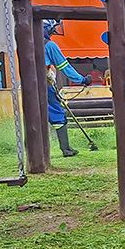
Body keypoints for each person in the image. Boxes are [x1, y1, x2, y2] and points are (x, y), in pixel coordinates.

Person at [43, 20, 91, 157]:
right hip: (46, 86)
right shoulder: (50, 45)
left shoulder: (27, 45)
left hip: (30, 88)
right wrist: (82, 80)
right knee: (58, 114)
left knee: (36, 116)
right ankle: (66, 149)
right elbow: (64, 66)